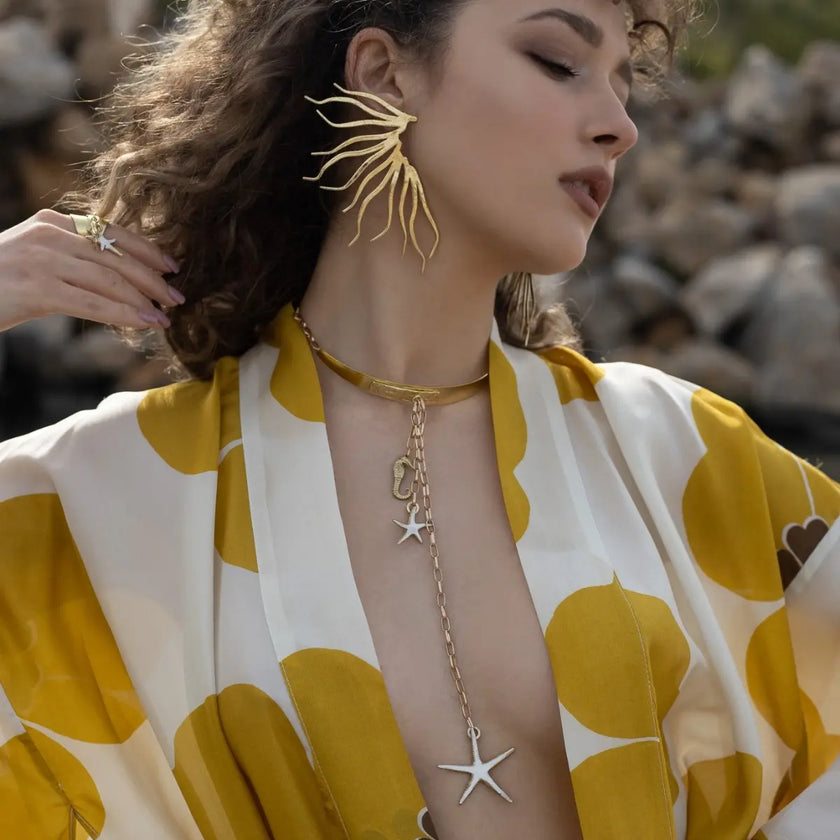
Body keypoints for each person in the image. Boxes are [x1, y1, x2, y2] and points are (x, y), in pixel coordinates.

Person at [0, 0, 838, 838]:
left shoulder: (675, 453)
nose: (620, 128)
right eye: (557, 62)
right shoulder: (113, 495)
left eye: (625, 85)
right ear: (382, 72)